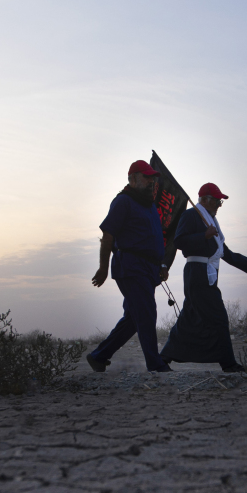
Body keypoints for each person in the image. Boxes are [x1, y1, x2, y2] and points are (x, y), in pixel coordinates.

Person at [160, 183, 247, 371]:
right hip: (197, 272)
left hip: (206, 274)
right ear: (205, 200)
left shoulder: (210, 220)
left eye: (220, 201)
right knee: (219, 317)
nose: (219, 205)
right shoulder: (191, 215)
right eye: (217, 201)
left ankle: (164, 357)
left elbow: (223, 251)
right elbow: (179, 241)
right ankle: (228, 363)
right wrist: (203, 236)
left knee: (189, 317)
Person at [88, 159, 172, 372]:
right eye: (147, 177)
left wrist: (161, 265)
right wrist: (103, 268)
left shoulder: (150, 206)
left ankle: (99, 355)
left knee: (134, 318)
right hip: (131, 266)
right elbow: (108, 235)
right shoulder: (123, 201)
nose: (152, 181)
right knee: (146, 312)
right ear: (133, 178)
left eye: (153, 178)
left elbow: (156, 238)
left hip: (149, 268)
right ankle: (155, 363)